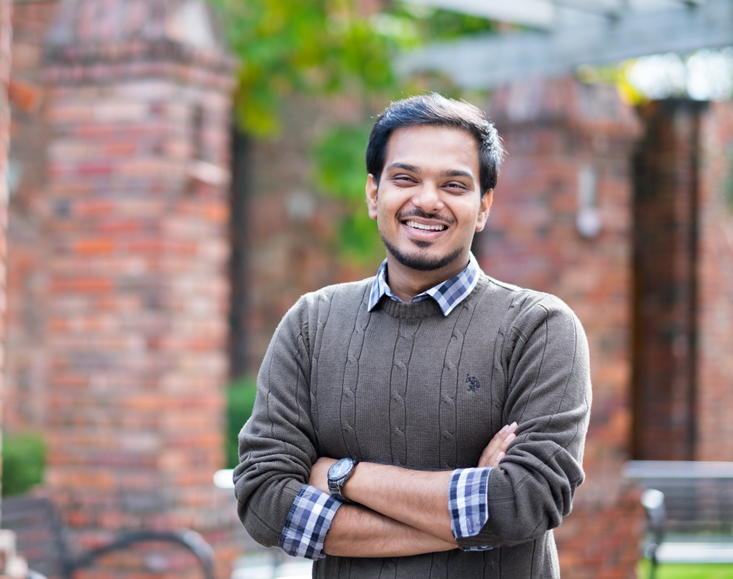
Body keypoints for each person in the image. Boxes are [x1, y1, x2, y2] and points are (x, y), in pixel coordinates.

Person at [233, 93, 591, 578]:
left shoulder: (539, 328)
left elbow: (525, 501)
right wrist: (464, 519)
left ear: (483, 207)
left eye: (454, 184)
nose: (427, 200)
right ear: (373, 193)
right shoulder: (312, 323)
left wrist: (341, 475)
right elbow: (263, 502)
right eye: (405, 178)